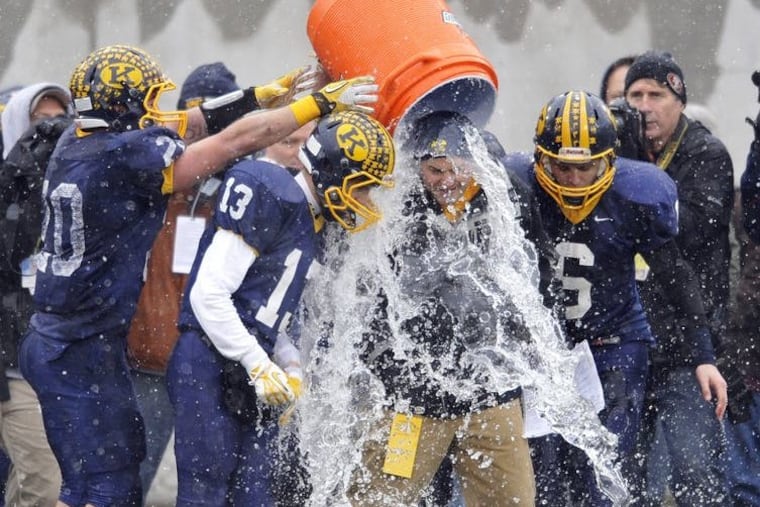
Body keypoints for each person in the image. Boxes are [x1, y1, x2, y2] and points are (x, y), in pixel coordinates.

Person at [17, 43, 380, 507]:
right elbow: (229, 143)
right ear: (123, 104)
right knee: (104, 489)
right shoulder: (123, 158)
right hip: (77, 348)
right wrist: (316, 105)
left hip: (67, 340)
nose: (154, 109)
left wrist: (258, 95)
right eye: (146, 99)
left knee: (105, 482)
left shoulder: (80, 137)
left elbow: (185, 122)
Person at [506, 90, 726, 506]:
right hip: (544, 351)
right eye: (562, 167)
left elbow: (675, 276)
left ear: (608, 159)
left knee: (605, 476)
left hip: (614, 345)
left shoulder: (634, 193)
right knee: (542, 481)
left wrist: (703, 355)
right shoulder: (517, 186)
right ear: (541, 159)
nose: (573, 180)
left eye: (585, 168)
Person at [166, 110, 395, 506]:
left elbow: (272, 316)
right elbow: (209, 296)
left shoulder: (317, 219)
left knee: (256, 495)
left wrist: (288, 365)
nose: (366, 200)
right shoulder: (271, 191)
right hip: (208, 357)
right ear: (333, 174)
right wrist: (257, 363)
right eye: (362, 187)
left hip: (253, 361)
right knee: (206, 491)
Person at [345, 111, 554, 506]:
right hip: (413, 398)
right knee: (376, 500)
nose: (448, 181)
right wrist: (389, 368)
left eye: (458, 169)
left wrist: (525, 347)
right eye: (435, 170)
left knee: (513, 501)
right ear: (418, 168)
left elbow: (537, 275)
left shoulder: (506, 196)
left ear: (477, 161)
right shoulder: (397, 208)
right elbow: (369, 297)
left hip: (490, 390)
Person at [126, 61, 241, 500]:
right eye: (194, 119)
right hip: (147, 359)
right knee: (128, 480)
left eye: (215, 121)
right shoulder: (150, 179)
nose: (201, 134)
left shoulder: (246, 187)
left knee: (212, 490)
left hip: (215, 366)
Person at [623, 50, 733, 506]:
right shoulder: (615, 151)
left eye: (656, 94)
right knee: (629, 478)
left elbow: (687, 231)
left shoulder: (706, 154)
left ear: (680, 101)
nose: (644, 106)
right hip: (626, 343)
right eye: (634, 95)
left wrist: (631, 181)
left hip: (689, 347)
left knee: (697, 475)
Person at [0, 82, 72, 506]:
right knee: (43, 478)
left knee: (40, 480)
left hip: (38, 359)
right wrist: (19, 175)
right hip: (9, 359)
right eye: (39, 122)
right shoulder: (12, 181)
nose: (48, 132)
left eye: (58, 121)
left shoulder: (67, 184)